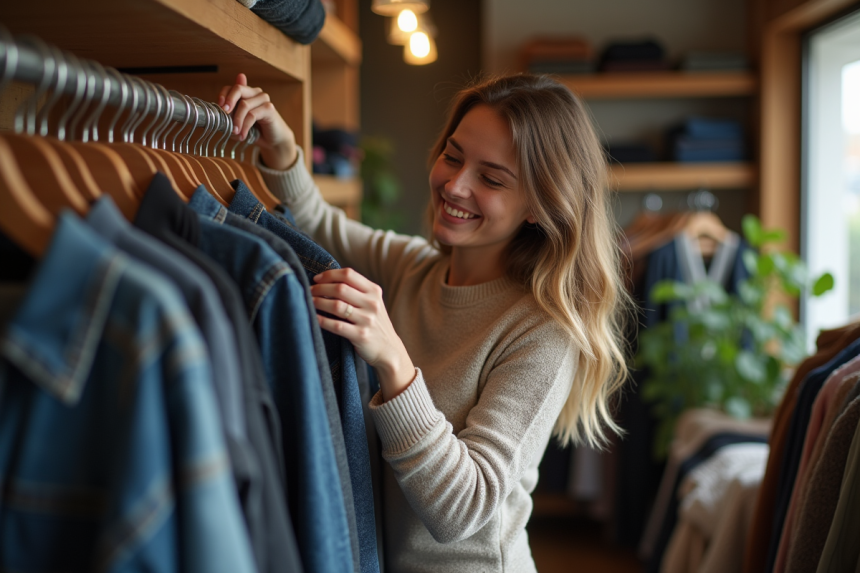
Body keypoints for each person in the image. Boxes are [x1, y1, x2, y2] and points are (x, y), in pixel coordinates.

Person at [218, 72, 631, 573]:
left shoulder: (542, 331)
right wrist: (283, 148)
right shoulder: (414, 268)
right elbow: (323, 226)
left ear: (538, 206)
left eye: (491, 179)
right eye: (453, 157)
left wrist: (393, 359)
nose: (455, 186)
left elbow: (462, 509)